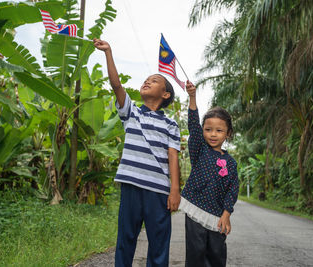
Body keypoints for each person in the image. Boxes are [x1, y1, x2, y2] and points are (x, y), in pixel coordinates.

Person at [93, 38, 181, 267]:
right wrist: (108, 53)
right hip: (131, 186)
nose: (147, 82)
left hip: (158, 192)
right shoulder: (131, 113)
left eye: (154, 81)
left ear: (165, 95)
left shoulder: (171, 124)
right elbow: (116, 86)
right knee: (126, 239)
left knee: (159, 243)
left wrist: (175, 190)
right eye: (146, 80)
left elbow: (173, 157)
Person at [180, 81, 239, 267]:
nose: (213, 134)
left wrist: (227, 213)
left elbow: (233, 189)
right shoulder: (199, 149)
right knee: (196, 253)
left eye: (219, 130)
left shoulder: (231, 163)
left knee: (217, 255)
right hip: (196, 210)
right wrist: (192, 98)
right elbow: (193, 127)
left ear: (228, 133)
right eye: (208, 129)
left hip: (217, 216)